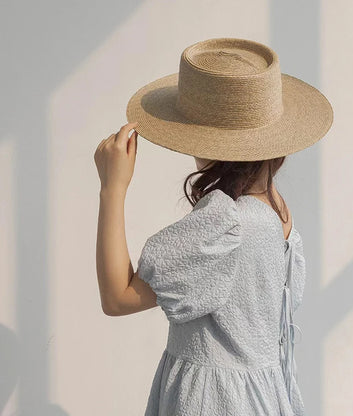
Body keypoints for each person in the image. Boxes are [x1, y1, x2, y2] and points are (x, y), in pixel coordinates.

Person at [94, 37, 333, 416]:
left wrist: (112, 188)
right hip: (263, 396)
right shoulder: (277, 209)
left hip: (213, 402)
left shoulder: (225, 223)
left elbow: (118, 298)